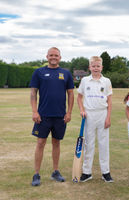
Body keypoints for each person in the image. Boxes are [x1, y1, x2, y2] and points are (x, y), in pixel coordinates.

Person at [30, 47, 74, 186]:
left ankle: (55, 171)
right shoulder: (39, 72)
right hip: (43, 116)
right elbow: (33, 93)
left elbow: (71, 94)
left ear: (60, 57)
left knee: (56, 143)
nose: (53, 57)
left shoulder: (66, 73)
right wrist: (34, 111)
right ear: (47, 56)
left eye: (56, 55)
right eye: (51, 55)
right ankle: (36, 174)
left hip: (60, 116)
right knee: (40, 143)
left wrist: (69, 112)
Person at [77, 56, 113, 183]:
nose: (96, 68)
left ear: (102, 67)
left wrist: (108, 117)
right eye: (93, 66)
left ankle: (106, 172)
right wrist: (82, 110)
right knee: (89, 144)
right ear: (89, 67)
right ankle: (87, 172)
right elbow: (79, 98)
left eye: (98, 66)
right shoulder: (85, 80)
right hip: (89, 115)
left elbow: (109, 100)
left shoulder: (107, 81)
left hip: (102, 114)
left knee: (104, 144)